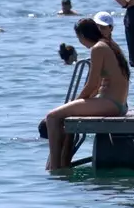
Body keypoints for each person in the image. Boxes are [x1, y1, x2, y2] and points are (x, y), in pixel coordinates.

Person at [43, 18, 129, 170]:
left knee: (51, 117)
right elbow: (97, 88)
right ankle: (64, 163)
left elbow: (92, 84)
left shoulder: (97, 48)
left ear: (82, 35)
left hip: (110, 104)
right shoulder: (110, 45)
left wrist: (74, 102)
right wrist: (74, 106)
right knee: (66, 117)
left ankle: (54, 168)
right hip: (119, 104)